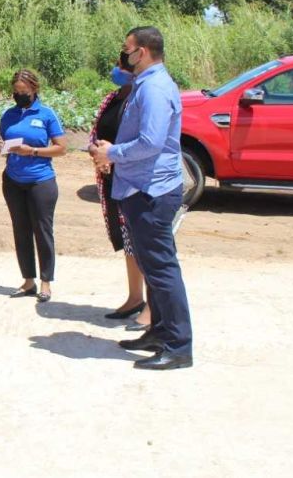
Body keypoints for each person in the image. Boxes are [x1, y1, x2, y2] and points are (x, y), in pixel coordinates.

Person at [93, 26, 194, 371]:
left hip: (151, 191)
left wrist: (112, 152)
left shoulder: (154, 88)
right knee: (152, 267)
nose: (123, 55)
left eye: (127, 49)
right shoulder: (146, 84)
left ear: (143, 52)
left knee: (162, 270)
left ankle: (178, 346)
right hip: (139, 187)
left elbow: (151, 142)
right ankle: (160, 332)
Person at [90, 63, 151, 328]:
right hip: (112, 177)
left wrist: (114, 156)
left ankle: (153, 305)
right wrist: (98, 155)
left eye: (122, 65)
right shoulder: (112, 98)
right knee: (128, 241)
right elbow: (96, 133)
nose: (117, 69)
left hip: (135, 180)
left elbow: (145, 142)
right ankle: (135, 298)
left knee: (144, 243)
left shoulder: (142, 98)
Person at [0, 70, 68, 303]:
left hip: (41, 181)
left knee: (42, 231)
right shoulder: (8, 115)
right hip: (13, 181)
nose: (19, 95)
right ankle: (28, 281)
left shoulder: (46, 114)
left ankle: (46, 282)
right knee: (21, 231)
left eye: (24, 91)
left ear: (34, 89)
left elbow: (61, 148)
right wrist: (2, 147)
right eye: (16, 91)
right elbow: (4, 141)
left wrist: (33, 151)